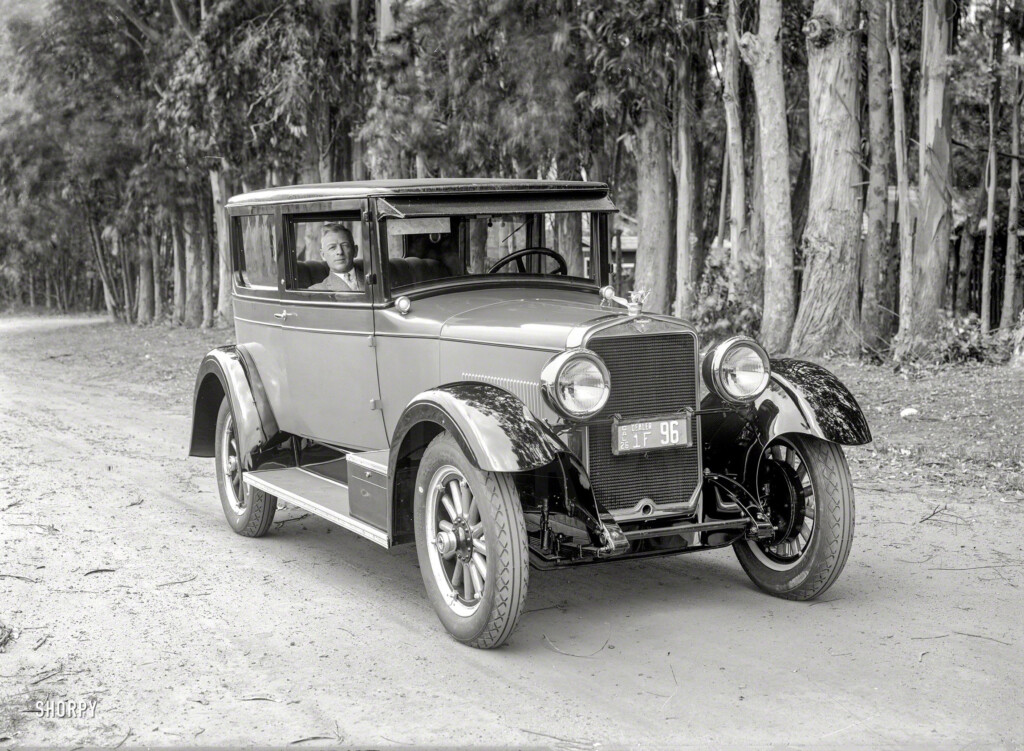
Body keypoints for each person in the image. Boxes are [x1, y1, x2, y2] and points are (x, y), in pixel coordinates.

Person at [308, 223, 365, 291]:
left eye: (345, 245)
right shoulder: (316, 291)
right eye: (332, 247)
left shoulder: (377, 281)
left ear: (355, 250)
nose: (340, 252)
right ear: (323, 255)